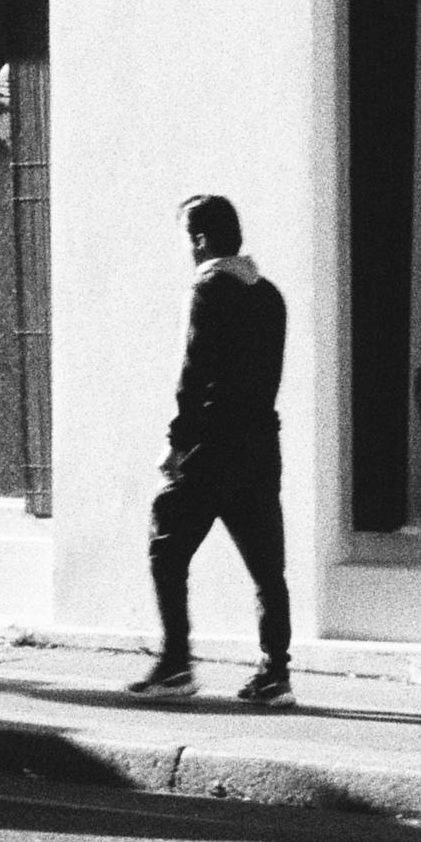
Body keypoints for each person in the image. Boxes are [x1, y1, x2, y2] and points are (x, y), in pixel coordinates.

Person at [132, 193, 292, 706]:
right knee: (268, 569)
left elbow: (193, 373)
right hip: (261, 447)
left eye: (186, 238)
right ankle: (275, 675)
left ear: (200, 239)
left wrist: (178, 444)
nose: (186, 250)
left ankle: (176, 664)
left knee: (167, 547)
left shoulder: (207, 290)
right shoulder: (270, 295)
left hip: (212, 447)